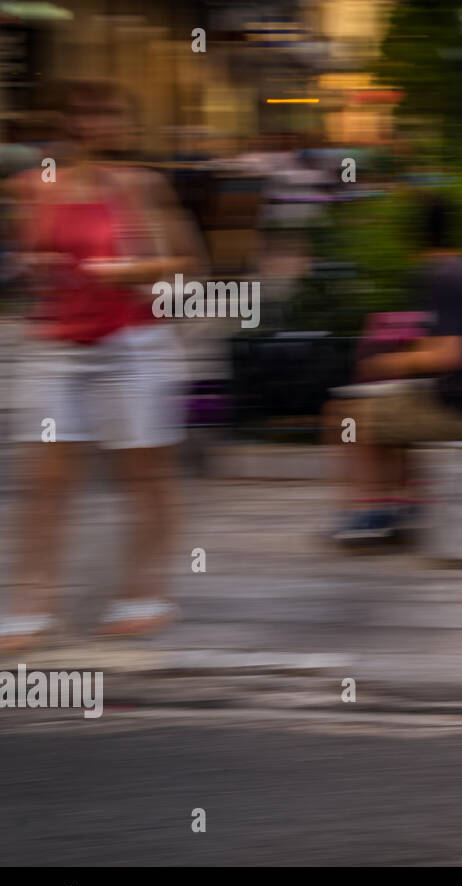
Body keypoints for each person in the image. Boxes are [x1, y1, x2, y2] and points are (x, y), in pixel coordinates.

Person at [0, 79, 205, 649]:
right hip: (57, 344)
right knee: (42, 478)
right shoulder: (35, 186)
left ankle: (145, 591)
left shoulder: (143, 186)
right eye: (86, 112)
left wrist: (130, 272)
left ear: (125, 123)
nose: (96, 123)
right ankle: (30, 604)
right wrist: (35, 263)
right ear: (66, 121)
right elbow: (25, 260)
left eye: (109, 112)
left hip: (132, 344)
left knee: (144, 473)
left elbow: (187, 267)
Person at [325, 194, 462, 545]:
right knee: (388, 411)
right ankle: (399, 504)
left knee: (346, 416)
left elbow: (450, 355)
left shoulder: (440, 277)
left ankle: (369, 513)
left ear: (415, 238)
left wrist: (386, 363)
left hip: (460, 409)